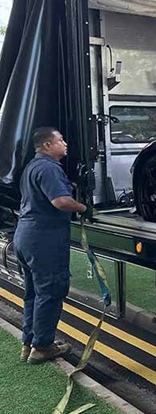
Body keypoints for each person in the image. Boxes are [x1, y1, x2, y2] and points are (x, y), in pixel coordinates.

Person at [14, 127, 89, 364]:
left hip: (25, 235)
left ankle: (29, 342)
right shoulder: (48, 168)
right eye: (60, 140)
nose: (65, 143)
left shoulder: (32, 166)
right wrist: (83, 208)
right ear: (47, 145)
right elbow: (60, 201)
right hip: (44, 239)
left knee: (33, 293)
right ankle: (43, 346)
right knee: (50, 291)